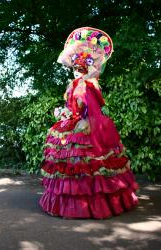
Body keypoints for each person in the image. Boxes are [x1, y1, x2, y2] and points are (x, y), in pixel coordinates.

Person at [39, 27, 139, 219]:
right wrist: (63, 112)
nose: (77, 72)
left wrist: (80, 117)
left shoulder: (87, 85)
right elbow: (73, 107)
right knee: (73, 164)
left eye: (81, 70)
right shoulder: (75, 85)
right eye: (76, 69)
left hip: (85, 125)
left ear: (86, 70)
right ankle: (74, 204)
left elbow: (89, 108)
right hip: (74, 122)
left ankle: (91, 204)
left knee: (87, 163)